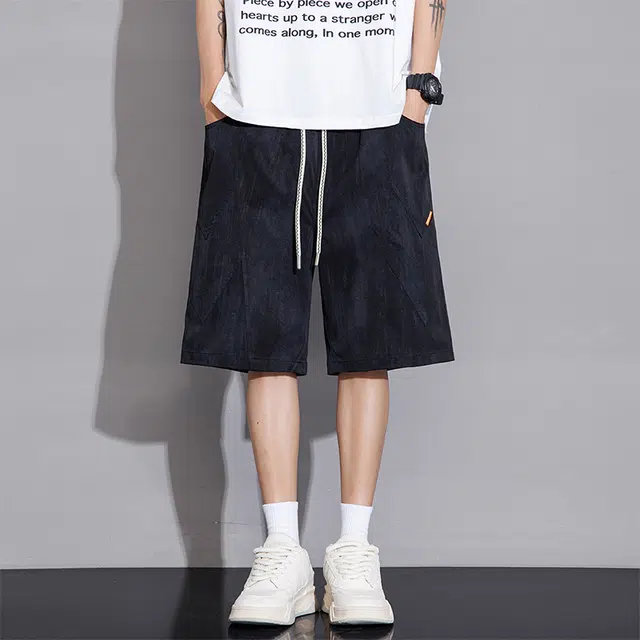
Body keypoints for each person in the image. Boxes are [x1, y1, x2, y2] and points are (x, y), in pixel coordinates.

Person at [181, 0, 452, 627]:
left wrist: (417, 94)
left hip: (378, 111)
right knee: (262, 335)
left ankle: (354, 551)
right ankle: (283, 552)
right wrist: (212, 87)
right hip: (255, 112)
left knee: (372, 339)